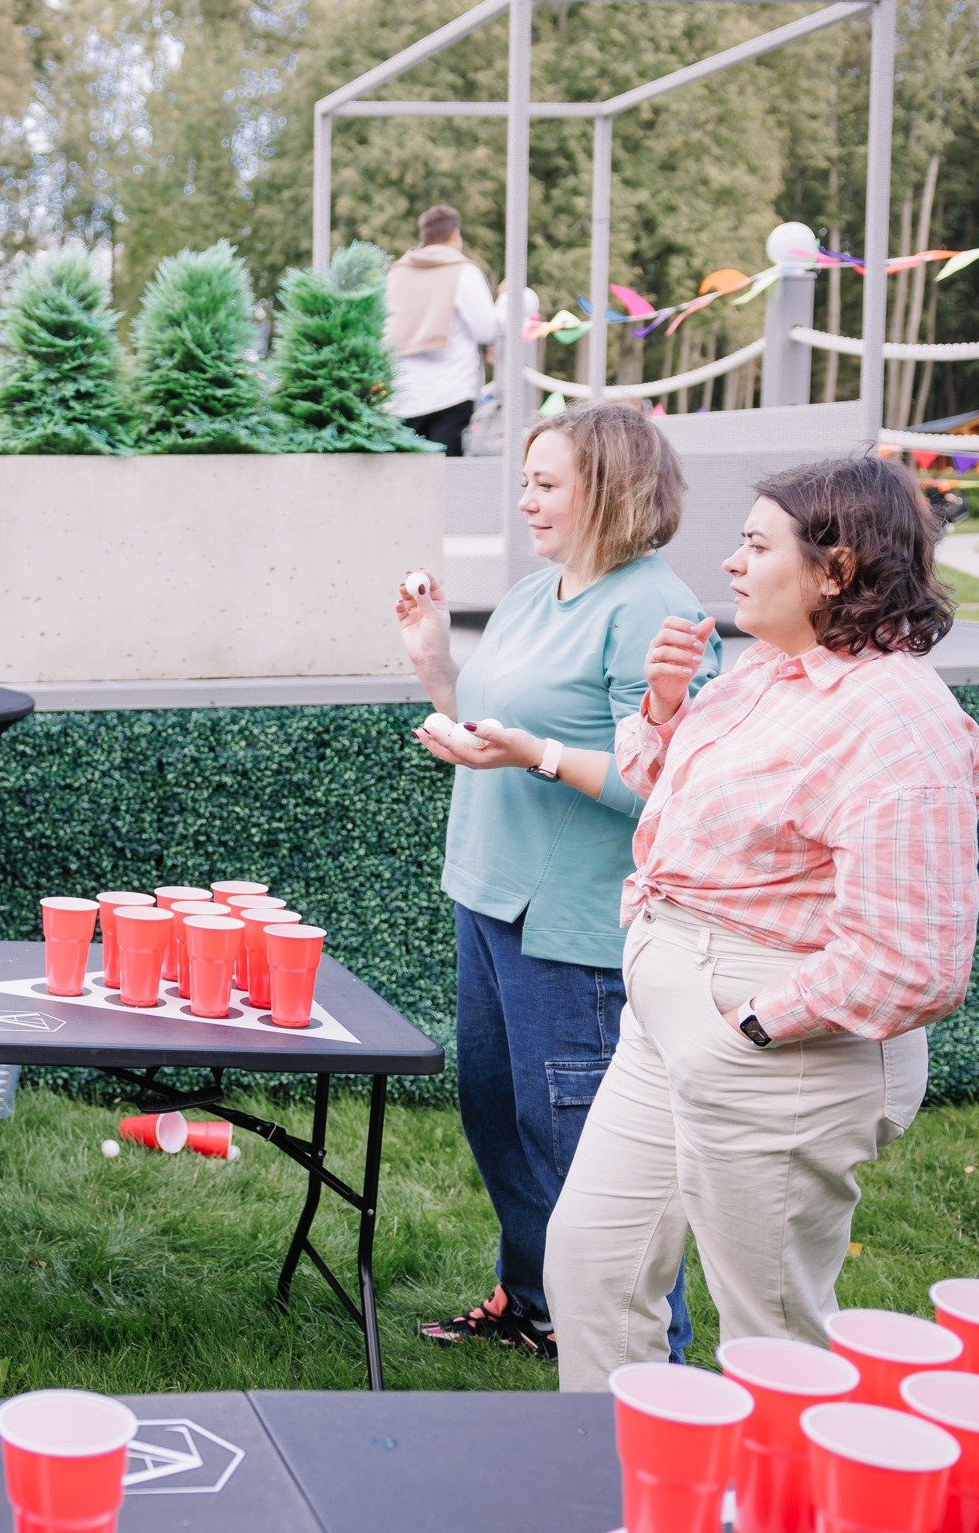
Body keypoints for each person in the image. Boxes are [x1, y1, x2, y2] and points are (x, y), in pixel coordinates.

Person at [545, 457, 979, 1389]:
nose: (731, 563)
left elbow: (913, 962)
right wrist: (665, 706)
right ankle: (618, 1465)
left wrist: (747, 1028)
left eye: (757, 545)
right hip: (670, 1029)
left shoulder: (899, 722)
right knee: (591, 1269)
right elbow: (674, 793)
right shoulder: (770, 671)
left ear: (836, 570)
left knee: (772, 1343)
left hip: (778, 1053)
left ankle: (793, 1476)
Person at [393, 402, 716, 1363]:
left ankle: (656, 1363)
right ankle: (537, 1307)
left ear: (608, 491)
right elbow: (492, 724)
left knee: (585, 1153)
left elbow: (667, 784)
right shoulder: (538, 593)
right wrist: (436, 668)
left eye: (546, 484)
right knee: (502, 1121)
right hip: (490, 896)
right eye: (525, 482)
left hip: (574, 924)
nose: (526, 501)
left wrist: (533, 755)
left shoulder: (654, 608)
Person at [384, 204, 500, 456]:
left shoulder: (396, 274)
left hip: (402, 397)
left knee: (407, 476)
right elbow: (486, 329)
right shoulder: (463, 271)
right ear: (455, 235)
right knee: (447, 476)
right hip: (450, 393)